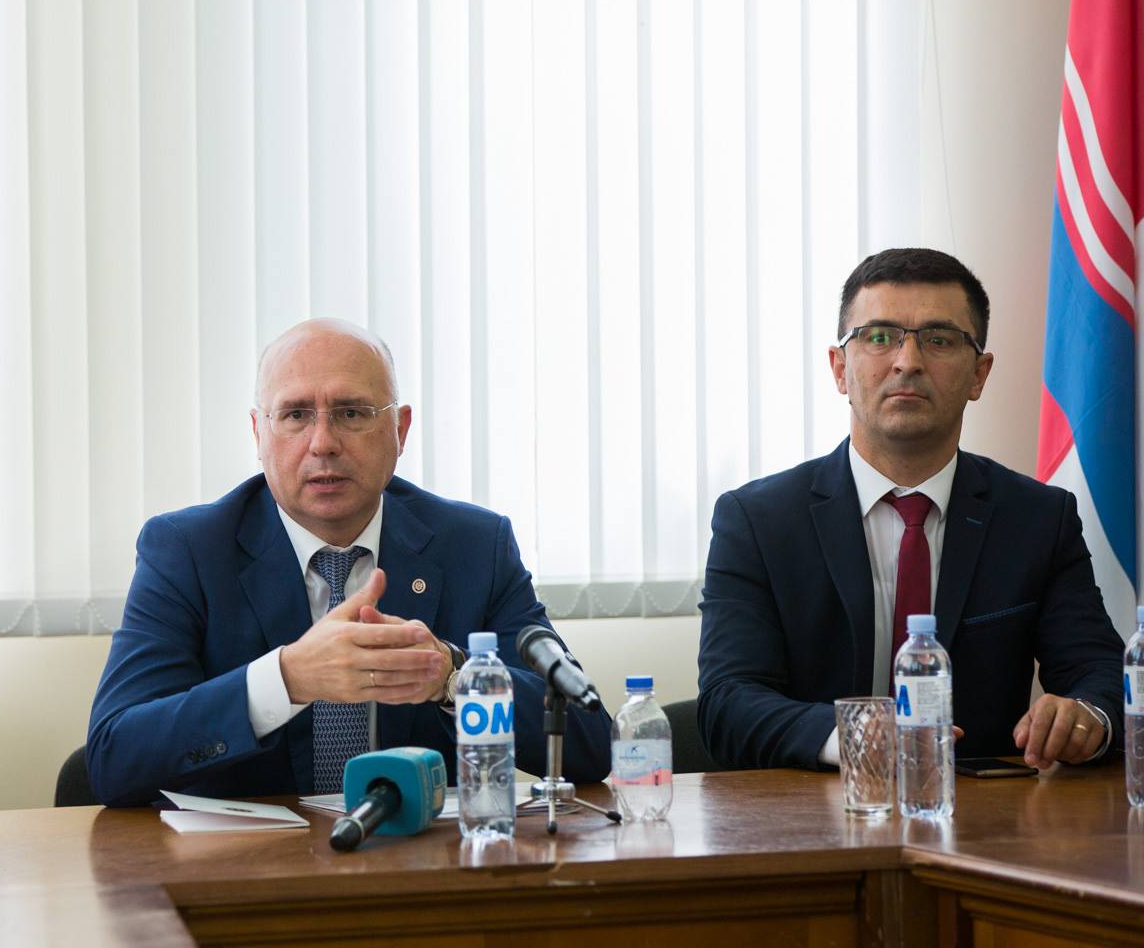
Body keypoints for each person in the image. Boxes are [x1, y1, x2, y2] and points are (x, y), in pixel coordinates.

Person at [86, 319, 611, 805]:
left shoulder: (474, 545)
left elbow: (589, 746)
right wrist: (286, 679)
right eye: (295, 415)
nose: (323, 443)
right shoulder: (188, 550)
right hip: (253, 866)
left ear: (400, 430)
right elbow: (114, 758)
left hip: (419, 861)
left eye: (352, 413)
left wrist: (453, 679)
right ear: (258, 434)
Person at [698, 248, 1124, 771]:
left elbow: (1101, 673)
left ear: (979, 375)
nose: (908, 361)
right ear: (840, 369)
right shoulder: (757, 521)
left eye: (939, 339)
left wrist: (1085, 716)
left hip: (980, 811)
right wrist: (856, 736)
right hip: (813, 807)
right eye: (879, 337)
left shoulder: (1038, 518)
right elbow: (728, 701)